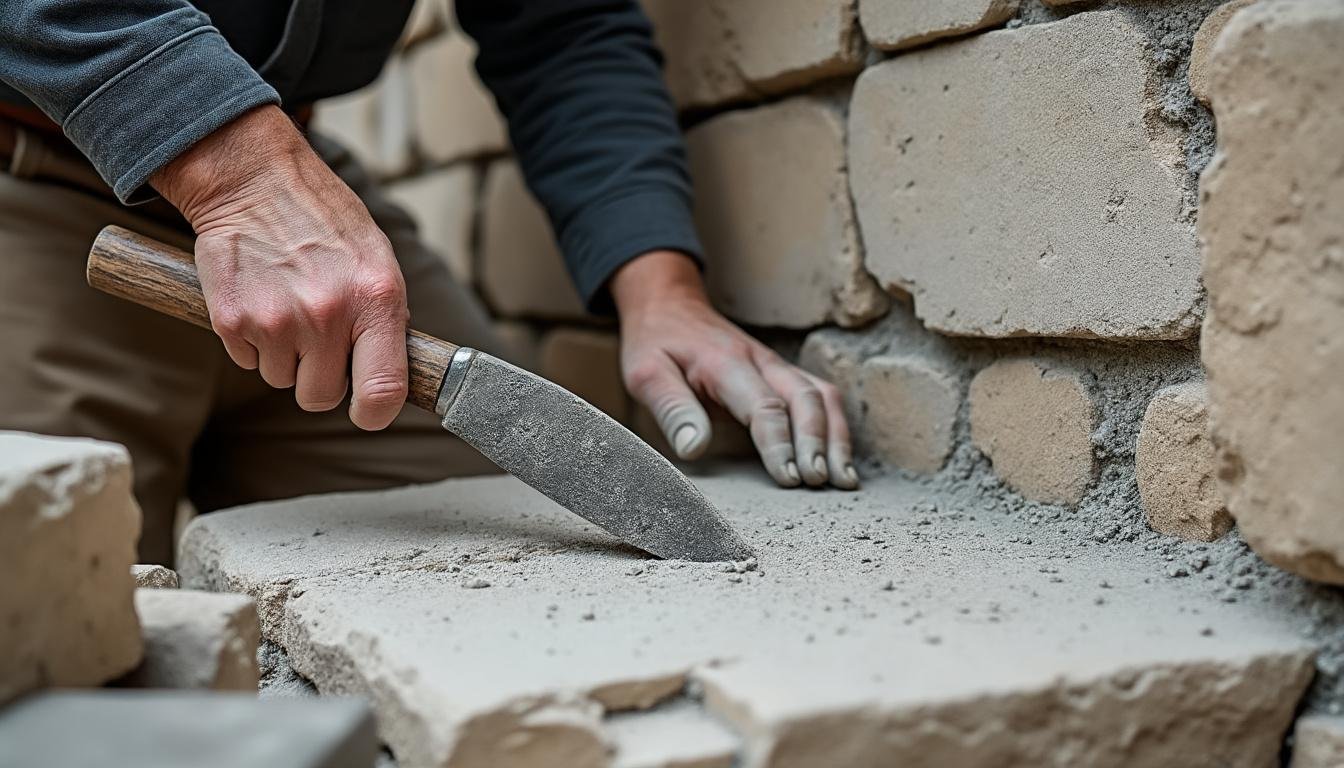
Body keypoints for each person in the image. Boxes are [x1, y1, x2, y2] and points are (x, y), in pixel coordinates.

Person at [0, 0, 857, 565]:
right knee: (55, 623)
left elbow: (561, 28)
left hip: (306, 204)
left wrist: (660, 288)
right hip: (35, 170)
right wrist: (241, 176)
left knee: (500, 550)